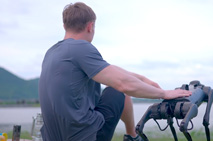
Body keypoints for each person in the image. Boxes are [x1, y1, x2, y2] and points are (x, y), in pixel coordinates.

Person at [39, 2, 192, 141]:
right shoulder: (81, 47)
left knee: (114, 87)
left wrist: (142, 79)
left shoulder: (52, 53)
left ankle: (132, 136)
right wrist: (164, 94)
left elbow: (109, 70)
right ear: (90, 27)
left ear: (65, 26)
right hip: (87, 137)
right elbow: (123, 84)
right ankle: (133, 136)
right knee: (118, 91)